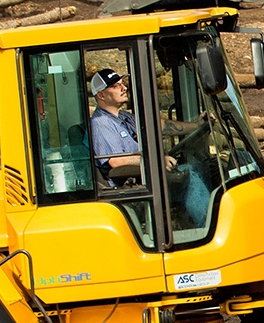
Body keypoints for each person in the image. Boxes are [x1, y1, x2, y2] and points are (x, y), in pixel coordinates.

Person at [89, 66, 213, 231]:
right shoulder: (101, 124)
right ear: (101, 95)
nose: (123, 88)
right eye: (115, 86)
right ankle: (207, 227)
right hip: (130, 192)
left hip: (144, 180)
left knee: (200, 167)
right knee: (189, 175)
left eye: (122, 83)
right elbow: (117, 162)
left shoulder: (123, 116)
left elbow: (159, 126)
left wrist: (196, 126)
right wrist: (156, 162)